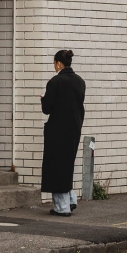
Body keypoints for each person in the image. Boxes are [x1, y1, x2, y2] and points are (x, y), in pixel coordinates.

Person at [40, 49, 86, 217]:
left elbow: (48, 108)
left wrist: (43, 99)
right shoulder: (80, 81)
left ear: (59, 63)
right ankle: (71, 199)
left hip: (57, 129)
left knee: (56, 166)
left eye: (54, 63)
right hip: (74, 128)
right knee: (66, 165)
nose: (54, 66)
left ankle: (62, 207)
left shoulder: (55, 82)